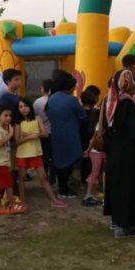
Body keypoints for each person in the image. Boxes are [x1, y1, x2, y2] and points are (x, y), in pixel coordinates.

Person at [102, 70, 135, 238]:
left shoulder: (109, 101)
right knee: (127, 187)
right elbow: (132, 132)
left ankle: (116, 220)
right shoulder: (128, 104)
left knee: (116, 187)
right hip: (127, 153)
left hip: (112, 151)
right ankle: (123, 225)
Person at [16, 97, 66, 208]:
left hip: (36, 153)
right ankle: (22, 202)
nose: (24, 109)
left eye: (25, 106)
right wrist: (32, 136)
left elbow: (45, 134)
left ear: (30, 107)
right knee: (22, 178)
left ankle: (53, 200)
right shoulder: (18, 123)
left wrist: (30, 135)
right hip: (22, 154)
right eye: (21, 107)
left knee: (43, 177)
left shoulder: (37, 118)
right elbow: (17, 140)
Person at [45, 70, 87, 199]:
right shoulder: (72, 100)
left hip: (56, 134)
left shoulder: (51, 99)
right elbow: (83, 116)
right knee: (69, 161)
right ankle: (64, 189)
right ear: (69, 87)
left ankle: (62, 187)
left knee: (59, 160)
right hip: (70, 134)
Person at [0, 107, 19, 214]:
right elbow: (0, 143)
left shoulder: (5, 128)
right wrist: (10, 134)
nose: (8, 118)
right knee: (8, 185)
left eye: (10, 116)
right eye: (5, 115)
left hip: (3, 161)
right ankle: (12, 205)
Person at [80, 86, 104, 206]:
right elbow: (95, 136)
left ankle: (93, 192)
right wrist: (88, 150)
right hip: (96, 149)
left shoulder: (92, 115)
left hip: (95, 149)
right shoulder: (98, 119)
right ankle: (88, 195)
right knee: (95, 171)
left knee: (98, 171)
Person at [32, 79, 53, 184]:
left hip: (42, 133)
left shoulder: (37, 102)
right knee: (53, 156)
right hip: (53, 132)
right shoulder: (53, 100)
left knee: (44, 156)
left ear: (42, 88)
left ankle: (44, 176)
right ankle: (53, 176)